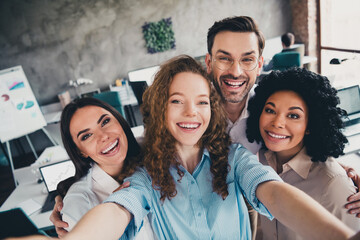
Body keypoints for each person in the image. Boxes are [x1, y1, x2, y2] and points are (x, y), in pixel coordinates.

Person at [21, 55, 358, 240]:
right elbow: (117, 209)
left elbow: (274, 192)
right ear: (159, 109)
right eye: (176, 101)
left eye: (201, 102)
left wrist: (341, 236)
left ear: (212, 109)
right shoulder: (147, 175)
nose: (190, 113)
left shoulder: (235, 158)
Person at [204, 16, 360, 229]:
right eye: (224, 58)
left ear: (259, 65)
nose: (236, 71)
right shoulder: (191, 115)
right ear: (208, 62)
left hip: (252, 218)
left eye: (247, 59)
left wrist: (340, 177)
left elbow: (301, 152)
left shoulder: (266, 109)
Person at [246, 67, 360, 239]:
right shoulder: (259, 158)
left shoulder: (333, 184)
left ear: (310, 126)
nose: (277, 122)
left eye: (293, 116)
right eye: (270, 110)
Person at [52, 97, 155, 239]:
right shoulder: (79, 202)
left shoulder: (153, 153)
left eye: (105, 122)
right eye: (87, 136)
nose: (103, 136)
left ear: (118, 120)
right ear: (80, 151)